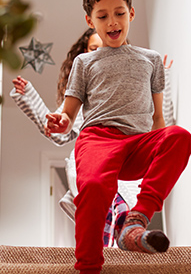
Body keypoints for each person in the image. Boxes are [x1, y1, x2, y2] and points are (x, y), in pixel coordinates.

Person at [45, 0, 191, 274]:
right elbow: (69, 113)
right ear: (90, 20)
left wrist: (162, 145)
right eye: (102, 16)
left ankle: (135, 222)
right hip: (98, 139)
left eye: (119, 13)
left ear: (131, 13)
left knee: (180, 137)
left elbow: (157, 118)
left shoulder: (151, 61)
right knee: (96, 187)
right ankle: (88, 271)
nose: (112, 22)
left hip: (138, 142)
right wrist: (61, 120)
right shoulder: (85, 63)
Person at [11, 28, 130, 247]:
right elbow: (59, 131)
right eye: (94, 49)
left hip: (124, 166)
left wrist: (161, 81)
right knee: (106, 211)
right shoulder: (82, 97)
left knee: (122, 211)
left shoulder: (132, 88)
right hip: (93, 166)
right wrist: (29, 96)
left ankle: (114, 248)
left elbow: (159, 120)